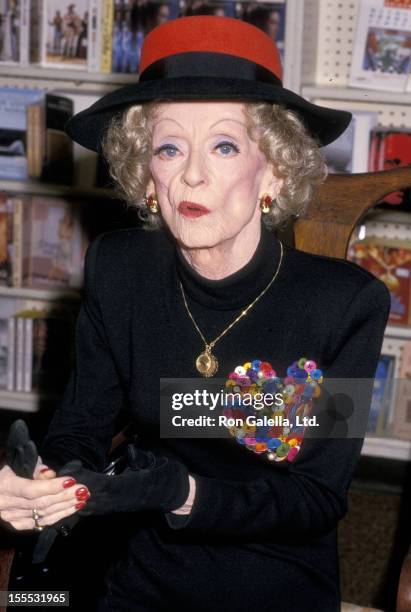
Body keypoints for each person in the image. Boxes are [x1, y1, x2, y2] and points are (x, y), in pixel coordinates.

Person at [0, 15, 391, 611]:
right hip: (138, 556)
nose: (193, 174)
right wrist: (46, 485)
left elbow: (315, 498)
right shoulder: (119, 267)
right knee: (42, 603)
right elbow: (81, 427)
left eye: (225, 145)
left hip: (270, 570)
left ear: (275, 170)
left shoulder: (347, 304)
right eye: (169, 146)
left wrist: (183, 492)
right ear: (146, 173)